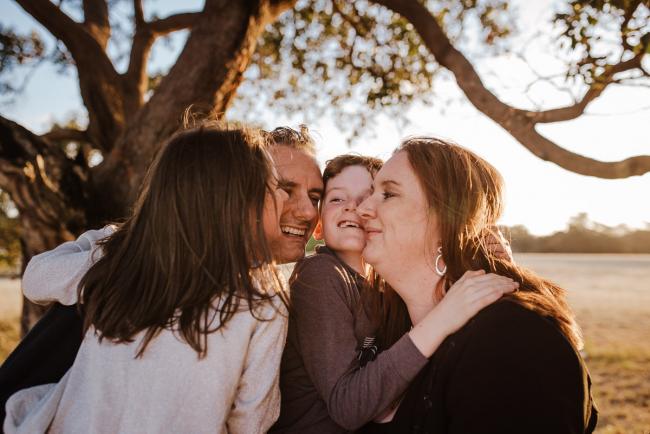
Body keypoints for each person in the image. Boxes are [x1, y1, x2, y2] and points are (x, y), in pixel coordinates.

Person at [0, 125, 323, 426]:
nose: (306, 211)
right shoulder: (262, 296)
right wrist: (129, 252)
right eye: (280, 188)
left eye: (315, 197)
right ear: (233, 195)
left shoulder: (137, 261)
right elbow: (251, 422)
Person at [357, 137, 598, 433]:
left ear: (447, 220)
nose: (362, 208)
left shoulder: (512, 338)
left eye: (388, 194)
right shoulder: (386, 334)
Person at [272, 155, 518, 433]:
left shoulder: (383, 287)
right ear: (319, 223)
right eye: (337, 199)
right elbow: (347, 407)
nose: (354, 208)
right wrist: (444, 316)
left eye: (367, 198)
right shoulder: (320, 274)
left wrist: (479, 251)